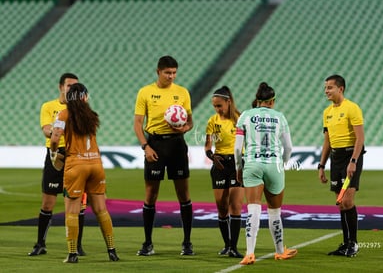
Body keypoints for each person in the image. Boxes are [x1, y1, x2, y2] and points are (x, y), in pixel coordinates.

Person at [50, 83, 119, 263]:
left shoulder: (64, 113)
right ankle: (112, 251)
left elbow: (55, 137)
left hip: (76, 165)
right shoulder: (92, 115)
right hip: (96, 164)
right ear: (85, 97)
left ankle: (72, 254)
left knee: (72, 212)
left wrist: (53, 152)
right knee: (101, 210)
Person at [133, 55, 194, 256]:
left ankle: (187, 243)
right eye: (168, 72)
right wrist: (145, 147)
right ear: (158, 72)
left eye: (174, 72)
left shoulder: (182, 92)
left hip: (177, 144)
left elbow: (190, 122)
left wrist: (184, 128)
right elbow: (137, 124)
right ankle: (148, 243)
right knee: (151, 195)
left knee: (183, 194)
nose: (171, 76)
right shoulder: (145, 92)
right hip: (155, 144)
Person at [234, 82, 298, 265]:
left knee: (253, 209)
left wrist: (239, 167)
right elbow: (289, 147)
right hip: (274, 165)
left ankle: (249, 253)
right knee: (274, 211)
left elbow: (238, 148)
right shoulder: (280, 117)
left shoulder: (246, 115)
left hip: (252, 164)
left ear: (258, 100)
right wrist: (283, 163)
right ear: (272, 101)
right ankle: (279, 251)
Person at [29, 73, 86, 257]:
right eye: (69, 85)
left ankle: (77, 245)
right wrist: (57, 130)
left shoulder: (80, 109)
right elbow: (46, 129)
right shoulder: (49, 107)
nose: (72, 89)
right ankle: (40, 244)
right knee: (48, 203)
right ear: (61, 87)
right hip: (55, 155)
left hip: (75, 156)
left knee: (78, 205)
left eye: (75, 86)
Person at [317, 74, 365, 257]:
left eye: (330, 87)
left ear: (341, 89)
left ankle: (353, 244)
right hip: (335, 159)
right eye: (325, 88)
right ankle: (345, 244)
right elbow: (327, 142)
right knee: (340, 204)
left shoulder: (352, 108)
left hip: (351, 156)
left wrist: (353, 161)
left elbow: (360, 138)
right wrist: (321, 165)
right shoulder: (327, 112)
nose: (326, 91)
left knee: (347, 201)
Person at [204, 86, 244, 258]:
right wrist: (212, 157)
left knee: (235, 206)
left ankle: (234, 247)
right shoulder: (212, 121)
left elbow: (248, 144)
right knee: (221, 207)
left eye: (219, 105)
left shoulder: (241, 120)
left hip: (237, 165)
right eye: (215, 106)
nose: (217, 109)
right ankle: (226, 245)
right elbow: (207, 147)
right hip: (219, 166)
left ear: (228, 102)